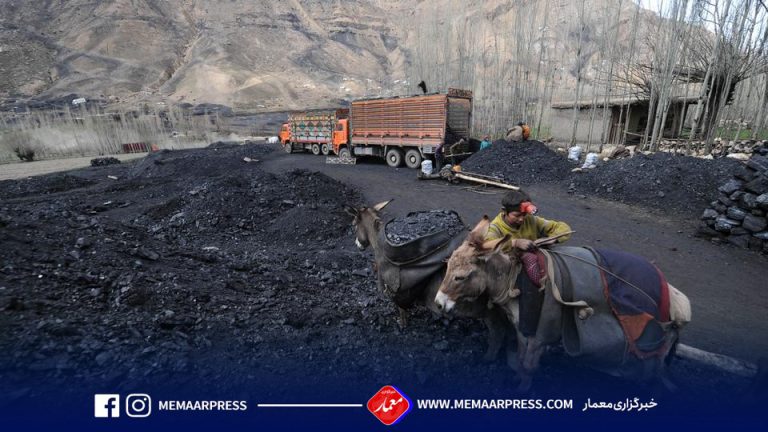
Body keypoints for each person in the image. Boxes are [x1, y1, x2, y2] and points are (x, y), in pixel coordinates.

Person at [484, 190, 572, 338]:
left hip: (534, 262)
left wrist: (551, 239)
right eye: (517, 215)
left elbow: (564, 228)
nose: (521, 219)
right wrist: (515, 243)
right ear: (504, 211)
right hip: (508, 270)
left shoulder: (531, 220)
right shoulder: (495, 227)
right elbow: (487, 244)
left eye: (524, 215)